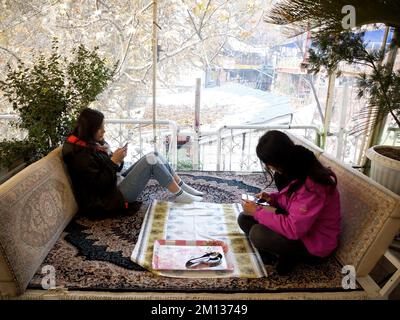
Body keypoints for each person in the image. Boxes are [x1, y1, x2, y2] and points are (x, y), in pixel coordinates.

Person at [62, 108, 203, 219]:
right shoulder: (79, 154)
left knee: (154, 154)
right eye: (100, 128)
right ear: (89, 129)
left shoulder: (89, 143)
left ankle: (181, 186)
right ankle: (180, 195)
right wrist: (113, 161)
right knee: (151, 162)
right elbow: (99, 185)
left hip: (114, 184)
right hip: (108, 200)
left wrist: (118, 159)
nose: (104, 130)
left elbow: (109, 170)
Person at [238, 130, 341, 275]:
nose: (270, 168)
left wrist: (257, 211)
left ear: (278, 160)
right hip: (301, 229)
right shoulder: (297, 166)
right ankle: (279, 254)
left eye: (270, 164)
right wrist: (272, 198)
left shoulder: (314, 186)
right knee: (244, 218)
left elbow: (293, 228)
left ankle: (289, 255)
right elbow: (292, 201)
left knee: (258, 234)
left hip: (314, 246)